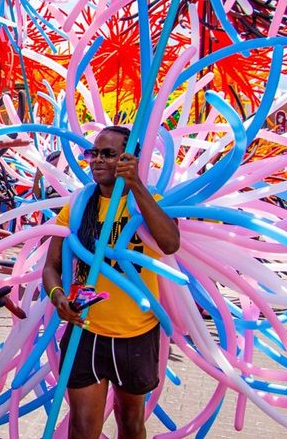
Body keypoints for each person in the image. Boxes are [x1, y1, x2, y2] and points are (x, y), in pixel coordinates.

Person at [42, 126, 179, 439]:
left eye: (108, 154)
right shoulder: (77, 206)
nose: (97, 160)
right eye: (94, 153)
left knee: (131, 426)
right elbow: (50, 266)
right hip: (85, 331)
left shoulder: (149, 203)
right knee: (83, 429)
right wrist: (57, 296)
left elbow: (170, 244)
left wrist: (137, 186)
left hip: (136, 333)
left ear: (129, 159)